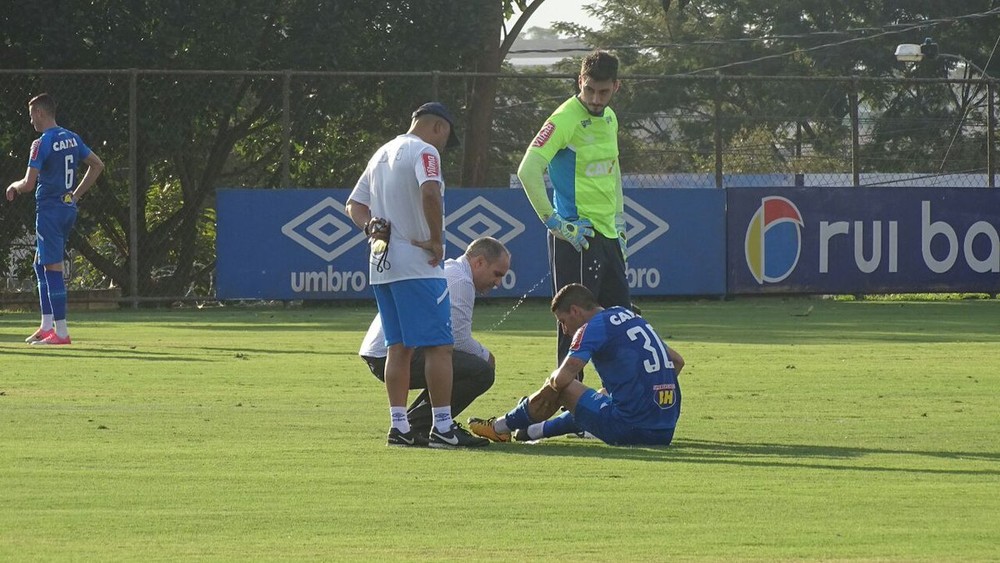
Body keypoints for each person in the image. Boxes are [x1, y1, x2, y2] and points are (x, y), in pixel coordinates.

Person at [346, 101, 487, 448]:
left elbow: (355, 204)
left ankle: (399, 426)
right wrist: (437, 239)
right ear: (439, 127)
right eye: (445, 138)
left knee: (399, 348)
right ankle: (442, 426)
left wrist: (370, 228)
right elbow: (429, 191)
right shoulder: (425, 151)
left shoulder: (381, 153)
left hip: (382, 265)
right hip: (418, 264)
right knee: (440, 347)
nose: (443, 147)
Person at [516, 49, 632, 370]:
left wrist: (620, 224)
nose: (596, 98)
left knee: (623, 324)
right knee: (575, 331)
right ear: (580, 81)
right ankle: (571, 414)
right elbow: (528, 170)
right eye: (589, 89)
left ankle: (622, 409)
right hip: (576, 238)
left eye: (604, 91)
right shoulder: (563, 119)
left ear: (616, 87)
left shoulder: (610, 118)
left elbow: (613, 173)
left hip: (607, 236)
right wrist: (556, 224)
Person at [468, 283, 684, 446]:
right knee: (599, 395)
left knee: (561, 385)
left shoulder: (592, 326)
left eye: (562, 321)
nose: (564, 330)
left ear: (575, 311)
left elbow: (561, 380)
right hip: (666, 429)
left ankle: (500, 427)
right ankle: (532, 431)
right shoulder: (629, 315)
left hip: (631, 429)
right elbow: (677, 361)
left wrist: (539, 398)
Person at [359, 236, 511, 445]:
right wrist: (487, 356)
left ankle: (413, 427)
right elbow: (458, 340)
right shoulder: (461, 281)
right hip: (391, 354)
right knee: (481, 370)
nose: (498, 283)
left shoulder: (451, 271)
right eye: (497, 274)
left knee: (457, 362)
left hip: (382, 351)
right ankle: (430, 427)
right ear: (479, 262)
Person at [6, 93, 105, 346]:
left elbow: (28, 184)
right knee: (41, 263)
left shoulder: (42, 142)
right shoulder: (72, 137)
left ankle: (61, 332)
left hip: (49, 210)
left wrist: (13, 186)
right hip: (67, 209)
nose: (31, 122)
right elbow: (97, 165)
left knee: (52, 267)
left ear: (39, 112)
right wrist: (76, 195)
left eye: (31, 116)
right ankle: (46, 325)